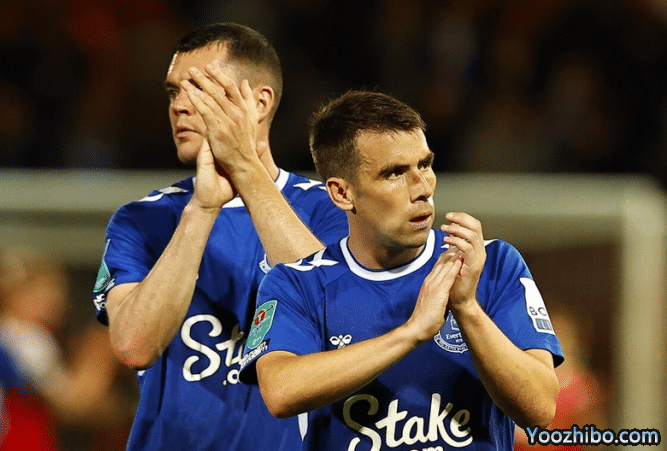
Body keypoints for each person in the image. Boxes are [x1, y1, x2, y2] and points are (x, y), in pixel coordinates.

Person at [239, 90, 564, 450]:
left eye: (424, 165)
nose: (422, 188)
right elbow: (280, 391)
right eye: (394, 173)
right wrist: (410, 333)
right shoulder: (297, 283)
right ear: (342, 193)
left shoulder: (491, 264)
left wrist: (468, 309)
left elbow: (540, 409)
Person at [91, 23, 348, 450]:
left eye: (198, 88)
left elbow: (336, 319)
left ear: (259, 102)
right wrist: (202, 210)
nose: (179, 106)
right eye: (173, 91)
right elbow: (134, 346)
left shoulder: (329, 210)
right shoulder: (143, 219)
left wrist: (244, 168)